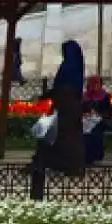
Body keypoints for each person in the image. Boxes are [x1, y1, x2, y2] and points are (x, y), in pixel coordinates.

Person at [34, 39, 85, 175]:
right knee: (57, 134)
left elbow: (62, 88)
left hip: (65, 108)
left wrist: (47, 96)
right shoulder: (75, 67)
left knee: (58, 134)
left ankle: (48, 163)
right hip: (66, 107)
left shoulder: (69, 68)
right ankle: (61, 165)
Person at [82, 74, 112, 166]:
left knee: (94, 131)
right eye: (91, 84)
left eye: (96, 83)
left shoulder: (104, 96)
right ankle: (86, 157)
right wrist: (86, 114)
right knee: (83, 131)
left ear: (100, 84)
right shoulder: (85, 96)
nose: (93, 86)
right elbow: (81, 109)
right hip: (86, 121)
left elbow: (109, 111)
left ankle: (95, 156)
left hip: (101, 121)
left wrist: (98, 115)